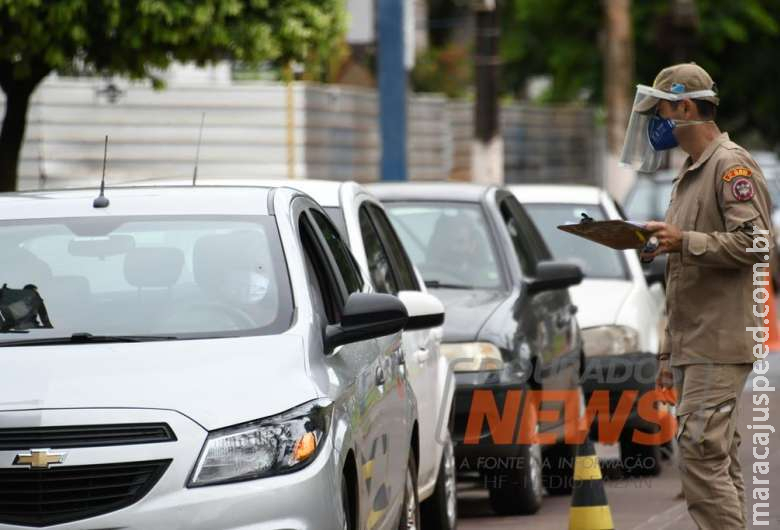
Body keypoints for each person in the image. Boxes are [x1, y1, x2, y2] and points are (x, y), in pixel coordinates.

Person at [621, 63, 774, 530]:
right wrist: (669, 351)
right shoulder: (689, 173)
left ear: (685, 107)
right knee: (718, 459)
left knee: (700, 459)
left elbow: (758, 243)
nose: (655, 122)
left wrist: (683, 240)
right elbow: (685, 270)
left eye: (660, 110)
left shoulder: (730, 166)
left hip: (719, 339)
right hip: (695, 341)